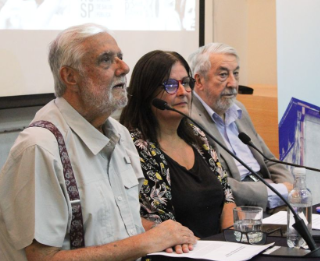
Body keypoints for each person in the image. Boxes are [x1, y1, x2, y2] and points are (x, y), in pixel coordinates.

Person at [0, 23, 196, 261]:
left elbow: (120, 227)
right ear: (70, 76)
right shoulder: (40, 147)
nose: (124, 68)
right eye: (106, 60)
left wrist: (164, 234)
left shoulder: (121, 134)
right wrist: (145, 242)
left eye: (120, 57)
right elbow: (42, 258)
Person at [119, 50, 236, 238]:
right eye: (171, 85)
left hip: (219, 250)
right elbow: (160, 224)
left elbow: (227, 196)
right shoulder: (134, 147)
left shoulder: (197, 135)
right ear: (147, 92)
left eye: (186, 83)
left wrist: (232, 242)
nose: (183, 92)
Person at [188, 43, 294, 213]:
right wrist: (277, 193)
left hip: (274, 200)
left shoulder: (238, 109)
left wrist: (288, 189)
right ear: (199, 80)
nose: (233, 83)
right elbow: (216, 183)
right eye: (223, 75)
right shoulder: (189, 119)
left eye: (235, 74)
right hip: (240, 210)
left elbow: (269, 160)